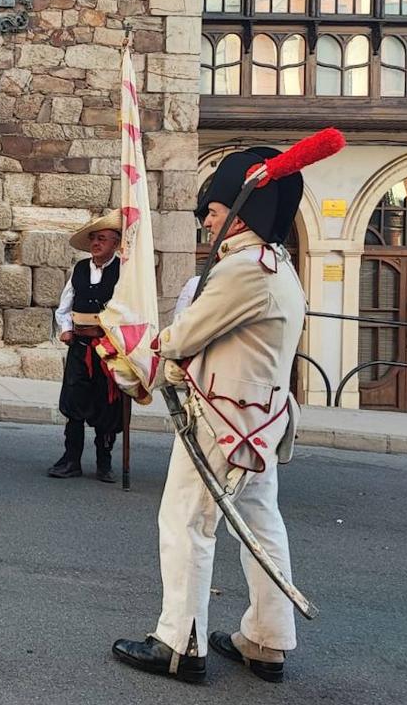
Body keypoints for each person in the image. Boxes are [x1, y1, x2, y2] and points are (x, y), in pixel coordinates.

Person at [113, 146, 306, 685]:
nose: (208, 222)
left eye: (215, 212)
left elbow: (184, 337)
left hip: (222, 423)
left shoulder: (244, 269)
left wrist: (135, 349)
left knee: (187, 523)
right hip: (258, 422)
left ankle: (180, 643)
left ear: (241, 214)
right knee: (262, 530)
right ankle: (267, 641)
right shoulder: (274, 267)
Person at [49, 211, 123, 483]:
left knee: (107, 405)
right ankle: (71, 460)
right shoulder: (80, 269)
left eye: (102, 239)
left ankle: (105, 463)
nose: (96, 243)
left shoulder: (123, 272)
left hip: (108, 349)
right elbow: (64, 306)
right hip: (80, 347)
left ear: (115, 243)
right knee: (74, 403)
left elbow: (129, 311)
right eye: (94, 238)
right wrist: (66, 329)